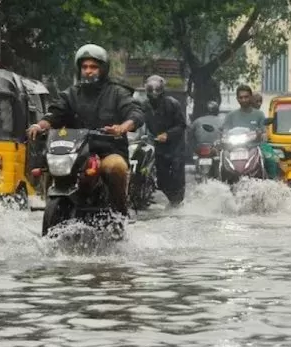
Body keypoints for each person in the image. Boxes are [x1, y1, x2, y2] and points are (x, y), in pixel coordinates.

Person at [27, 43, 144, 218]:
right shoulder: (70, 94)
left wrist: (122, 127)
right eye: (85, 67)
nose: (88, 71)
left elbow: (135, 113)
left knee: (116, 167)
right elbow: (54, 114)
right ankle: (52, 202)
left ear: (103, 69)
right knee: (51, 164)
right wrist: (39, 125)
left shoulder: (117, 93)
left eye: (94, 67)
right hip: (75, 152)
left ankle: (120, 214)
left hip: (108, 151)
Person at [141, 75, 187, 207]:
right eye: (151, 90)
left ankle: (178, 202)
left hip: (175, 145)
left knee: (177, 175)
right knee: (161, 178)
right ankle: (173, 200)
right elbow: (139, 121)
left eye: (157, 90)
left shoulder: (172, 103)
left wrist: (168, 134)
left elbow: (182, 125)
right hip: (158, 145)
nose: (154, 94)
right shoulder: (144, 106)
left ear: (162, 91)